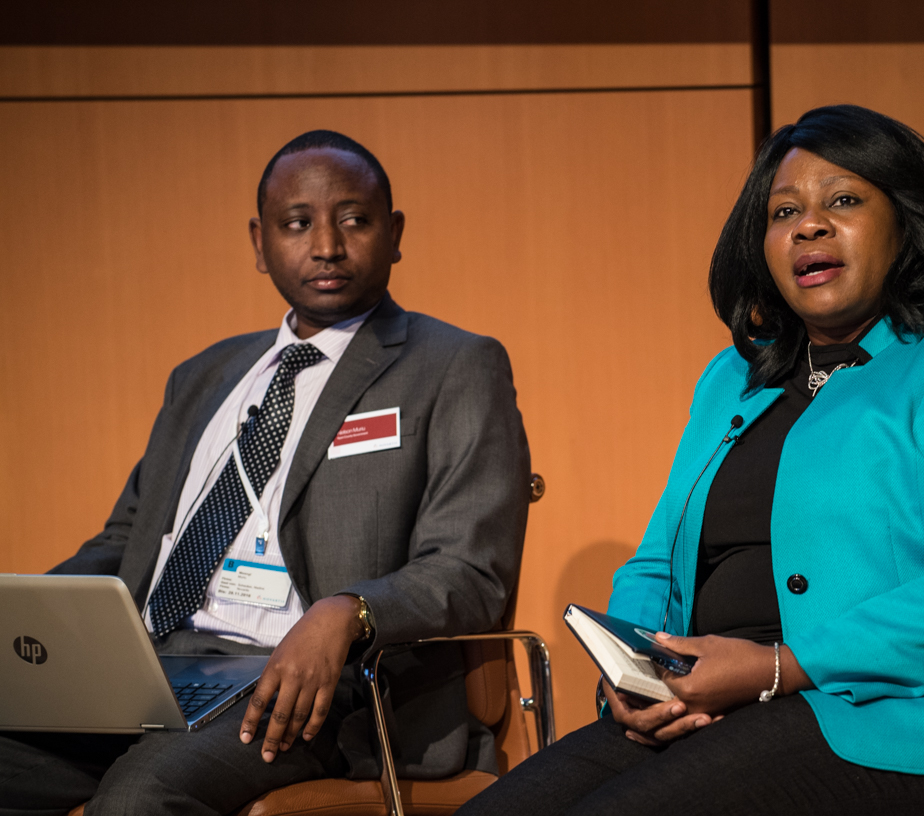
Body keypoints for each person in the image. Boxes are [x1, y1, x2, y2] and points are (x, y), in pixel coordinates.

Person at [458, 105, 924, 816]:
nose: (808, 226)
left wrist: (778, 668)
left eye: (843, 201)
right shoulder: (734, 376)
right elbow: (657, 563)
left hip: (913, 719)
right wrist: (634, 678)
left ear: (906, 220)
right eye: (784, 212)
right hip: (718, 703)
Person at [0, 130, 531, 816]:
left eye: (354, 220)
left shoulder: (454, 366)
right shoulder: (203, 376)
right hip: (147, 669)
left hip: (314, 689)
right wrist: (28, 620)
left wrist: (349, 610)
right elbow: (127, 540)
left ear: (394, 233)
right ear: (260, 242)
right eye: (297, 223)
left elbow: (471, 569)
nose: (327, 246)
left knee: (139, 797)